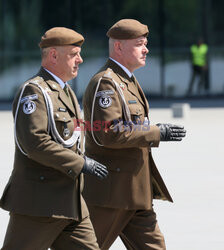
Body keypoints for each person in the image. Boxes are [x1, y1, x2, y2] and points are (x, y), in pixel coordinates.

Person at [0, 27, 108, 250]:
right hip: (40, 204)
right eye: (73, 54)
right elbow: (34, 142)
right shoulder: (33, 92)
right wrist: (80, 163)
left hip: (71, 203)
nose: (80, 59)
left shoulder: (65, 91)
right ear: (53, 55)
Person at [82, 19, 186, 250]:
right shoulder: (107, 83)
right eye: (139, 44)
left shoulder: (127, 81)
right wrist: (156, 132)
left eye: (145, 43)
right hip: (112, 193)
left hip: (136, 192)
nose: (146, 49)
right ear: (119, 47)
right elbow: (109, 133)